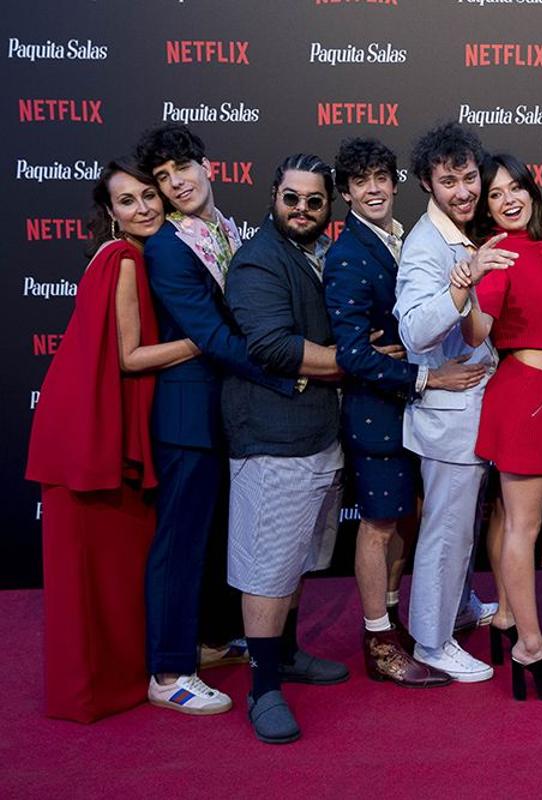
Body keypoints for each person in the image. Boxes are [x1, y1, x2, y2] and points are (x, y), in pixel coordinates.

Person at [26, 159, 199, 722]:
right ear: (110, 214)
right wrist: (207, 341)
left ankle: (103, 683)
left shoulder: (129, 256)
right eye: (128, 202)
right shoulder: (124, 258)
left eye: (150, 195)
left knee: (103, 564)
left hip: (90, 430)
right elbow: (130, 357)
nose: (145, 208)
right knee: (93, 564)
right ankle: (99, 687)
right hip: (90, 436)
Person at [138, 124, 294, 715]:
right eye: (161, 177)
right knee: (179, 545)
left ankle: (204, 643)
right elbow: (209, 334)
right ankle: (168, 671)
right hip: (188, 415)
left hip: (227, 412)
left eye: (183, 167)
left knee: (212, 542)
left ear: (208, 167)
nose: (176, 182)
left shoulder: (229, 233)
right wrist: (284, 372)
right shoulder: (168, 247)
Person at [326, 137, 482, 689]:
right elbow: (351, 352)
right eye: (360, 181)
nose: (373, 189)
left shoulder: (396, 236)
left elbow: (400, 326)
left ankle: (405, 616)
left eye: (379, 178)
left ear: (395, 182)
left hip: (409, 406)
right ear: (345, 191)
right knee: (378, 524)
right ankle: (379, 640)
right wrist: (426, 374)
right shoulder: (349, 252)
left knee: (408, 521)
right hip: (377, 407)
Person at [222, 154, 352, 744]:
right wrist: (361, 364)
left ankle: (289, 655)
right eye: (291, 198)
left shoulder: (318, 254)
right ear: (274, 195)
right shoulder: (258, 260)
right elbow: (273, 346)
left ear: (329, 206)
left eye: (314, 201)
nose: (302, 209)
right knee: (268, 567)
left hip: (319, 433)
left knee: (297, 558)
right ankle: (263, 687)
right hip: (273, 438)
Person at [454, 154, 542, 700]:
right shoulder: (499, 255)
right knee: (523, 527)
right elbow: (479, 329)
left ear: (531, 190)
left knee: (508, 517)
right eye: (496, 194)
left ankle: (507, 615)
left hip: (527, 392)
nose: (508, 199)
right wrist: (468, 288)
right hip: (525, 393)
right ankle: (531, 645)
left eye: (516, 188)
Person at [394, 122, 501, 683]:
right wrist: (459, 288)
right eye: (448, 181)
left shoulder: (459, 232)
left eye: (468, 178)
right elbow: (414, 333)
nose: (463, 191)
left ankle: (456, 608)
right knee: (445, 530)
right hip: (447, 418)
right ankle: (432, 643)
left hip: (469, 412)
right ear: (426, 184)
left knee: (462, 524)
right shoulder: (425, 245)